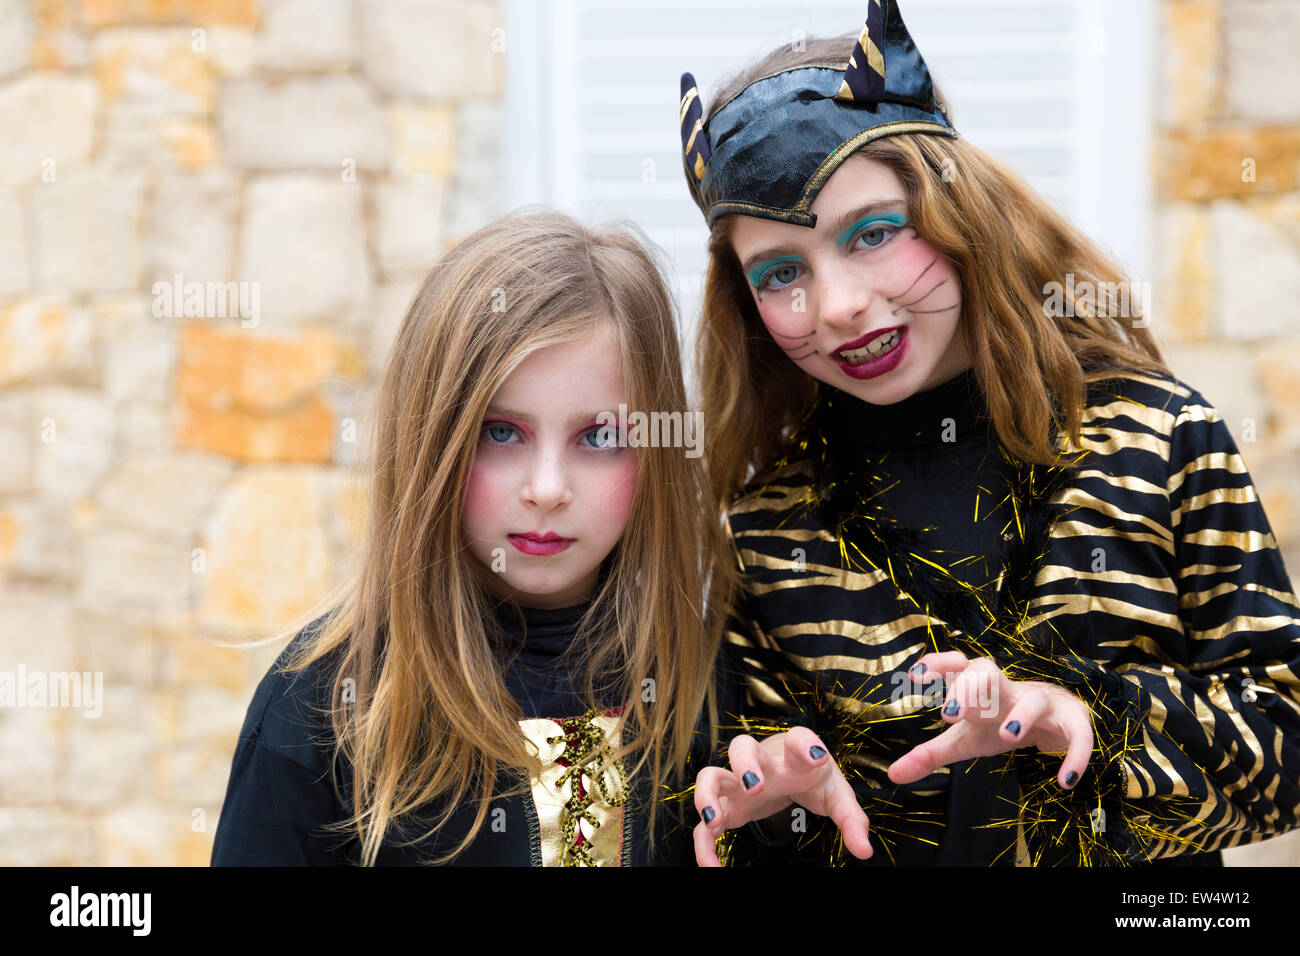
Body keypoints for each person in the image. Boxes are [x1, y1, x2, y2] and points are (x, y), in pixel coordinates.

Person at [678, 1, 1300, 866]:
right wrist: (758, 803)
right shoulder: (766, 527)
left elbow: (1285, 747)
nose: (837, 305)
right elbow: (741, 790)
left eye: (875, 233)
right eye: (781, 272)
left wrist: (1089, 718)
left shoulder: (1163, 440)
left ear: (959, 212)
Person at [210, 209, 735, 866]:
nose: (547, 489)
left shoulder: (712, 690)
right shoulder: (322, 714)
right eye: (502, 432)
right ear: (432, 441)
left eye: (599, 437)